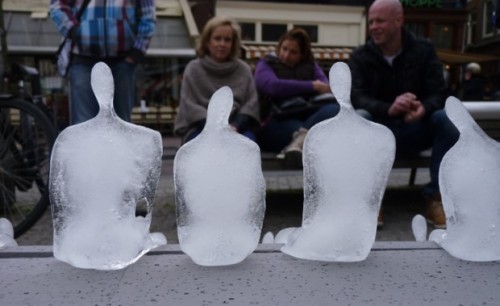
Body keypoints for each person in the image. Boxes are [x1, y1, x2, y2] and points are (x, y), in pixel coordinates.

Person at [348, 0, 459, 229]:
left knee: (445, 119)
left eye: (379, 21)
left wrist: (423, 109)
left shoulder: (424, 49)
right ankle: (371, 199)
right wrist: (389, 108)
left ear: (398, 21)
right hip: (378, 131)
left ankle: (437, 198)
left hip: (415, 128)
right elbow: (357, 96)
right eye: (370, 21)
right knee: (360, 116)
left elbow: (438, 92)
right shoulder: (360, 56)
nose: (373, 27)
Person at [49, 0, 156, 125]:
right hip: (84, 60)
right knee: (84, 125)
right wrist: (75, 31)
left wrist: (136, 52)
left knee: (121, 125)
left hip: (122, 60)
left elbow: (148, 15)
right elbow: (57, 6)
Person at [254, 28, 340, 167]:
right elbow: (271, 86)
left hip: (306, 117)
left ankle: (297, 145)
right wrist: (311, 86)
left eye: (293, 52)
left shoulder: (311, 67)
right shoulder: (266, 63)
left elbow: (326, 88)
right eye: (284, 49)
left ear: (302, 55)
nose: (286, 55)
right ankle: (299, 144)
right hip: (275, 119)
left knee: (333, 109)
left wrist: (318, 86)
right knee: (309, 133)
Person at [174, 16, 260, 143]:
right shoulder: (193, 69)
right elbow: (190, 106)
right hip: (200, 128)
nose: (222, 44)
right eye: (217, 38)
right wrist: (216, 128)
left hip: (237, 128)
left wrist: (235, 126)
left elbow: (250, 104)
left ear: (233, 43)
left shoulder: (244, 70)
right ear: (207, 41)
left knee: (248, 148)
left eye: (227, 40)